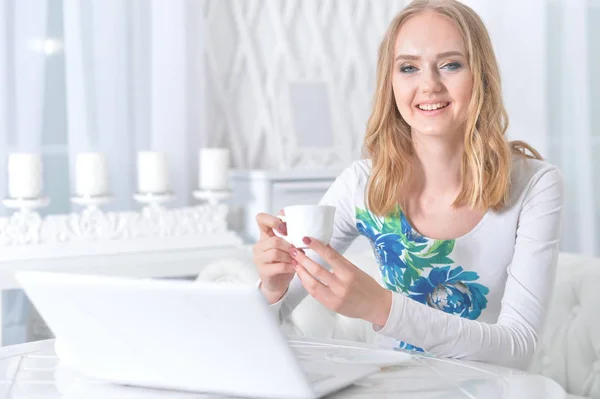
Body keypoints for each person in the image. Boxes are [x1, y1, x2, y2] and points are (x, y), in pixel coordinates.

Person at [252, 0, 564, 370]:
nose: (429, 85)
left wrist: (381, 307)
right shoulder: (362, 185)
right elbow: (263, 326)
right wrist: (272, 288)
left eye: (450, 64)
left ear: (480, 75)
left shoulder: (535, 185)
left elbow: (518, 345)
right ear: (391, 82)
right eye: (409, 68)